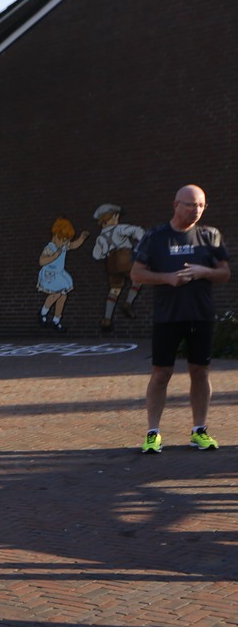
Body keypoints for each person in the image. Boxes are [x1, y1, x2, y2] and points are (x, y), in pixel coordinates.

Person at [131, 184, 229, 453]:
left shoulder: (211, 236)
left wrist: (203, 272)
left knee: (200, 372)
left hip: (201, 315)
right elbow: (136, 274)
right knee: (161, 373)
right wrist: (167, 278)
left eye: (201, 205)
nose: (196, 210)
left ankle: (199, 430)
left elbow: (225, 273)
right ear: (176, 205)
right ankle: (153, 433)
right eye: (191, 205)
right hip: (168, 317)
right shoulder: (155, 237)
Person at [91, 203, 146, 332]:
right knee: (138, 278)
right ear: (109, 218)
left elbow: (96, 255)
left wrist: (105, 252)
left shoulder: (100, 237)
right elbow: (136, 231)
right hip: (124, 258)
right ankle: (128, 302)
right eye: (115, 217)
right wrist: (142, 239)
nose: (117, 219)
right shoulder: (119, 229)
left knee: (114, 289)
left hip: (111, 263)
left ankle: (107, 319)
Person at [36, 217, 89, 332]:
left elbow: (74, 245)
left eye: (67, 240)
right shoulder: (50, 248)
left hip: (59, 275)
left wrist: (82, 238)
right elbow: (41, 261)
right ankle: (43, 312)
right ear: (56, 235)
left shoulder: (63, 246)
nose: (65, 243)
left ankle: (56, 320)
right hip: (50, 275)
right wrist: (54, 256)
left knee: (63, 296)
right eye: (64, 239)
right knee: (57, 294)